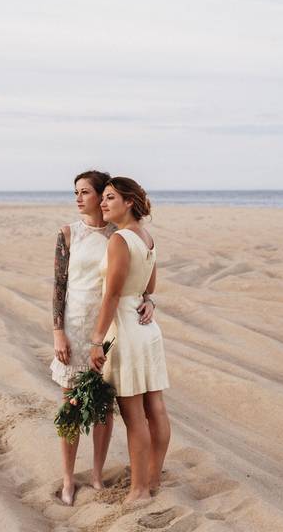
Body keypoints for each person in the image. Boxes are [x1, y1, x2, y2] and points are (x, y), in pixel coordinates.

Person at [51, 170, 155, 505]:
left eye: (85, 192)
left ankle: (96, 474)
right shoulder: (69, 234)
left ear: (101, 196)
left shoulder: (119, 235)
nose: (78, 198)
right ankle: (68, 477)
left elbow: (136, 281)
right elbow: (59, 287)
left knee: (104, 407)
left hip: (108, 331)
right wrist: (58, 334)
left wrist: (149, 300)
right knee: (71, 404)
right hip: (76, 327)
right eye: (75, 193)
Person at [88, 177, 170, 506]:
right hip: (147, 328)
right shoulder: (147, 238)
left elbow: (112, 295)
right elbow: (149, 287)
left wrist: (97, 341)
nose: (103, 204)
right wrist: (149, 302)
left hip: (125, 327)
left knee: (134, 414)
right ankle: (150, 480)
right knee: (156, 409)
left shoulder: (120, 239)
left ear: (129, 202)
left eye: (110, 198)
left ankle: (139, 491)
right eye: (103, 198)